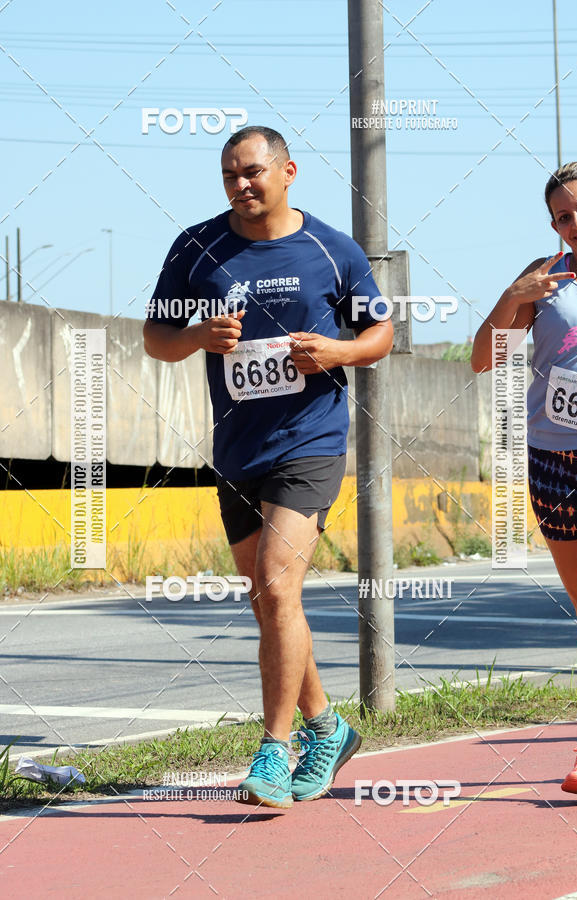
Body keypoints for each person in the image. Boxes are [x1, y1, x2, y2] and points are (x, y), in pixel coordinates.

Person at [143, 125, 393, 808]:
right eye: (229, 175)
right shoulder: (197, 247)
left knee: (280, 590)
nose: (241, 184)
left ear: (287, 171)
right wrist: (195, 336)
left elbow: (382, 332)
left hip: (309, 441)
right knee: (267, 601)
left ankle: (274, 752)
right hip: (236, 449)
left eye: (252, 171)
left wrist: (338, 354)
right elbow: (155, 338)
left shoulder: (330, 250)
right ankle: (328, 726)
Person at [471, 160, 577, 795]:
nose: (575, 224)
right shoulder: (545, 278)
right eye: (561, 217)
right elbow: (481, 358)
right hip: (550, 457)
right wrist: (513, 298)